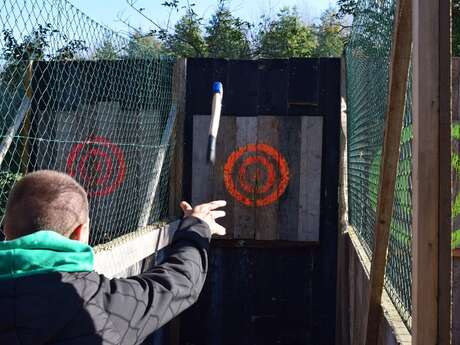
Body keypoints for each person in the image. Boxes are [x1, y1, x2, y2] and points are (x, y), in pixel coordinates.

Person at [0, 170, 226, 345]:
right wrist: (197, 226)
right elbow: (180, 281)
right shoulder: (102, 304)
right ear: (80, 233)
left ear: (6, 229)